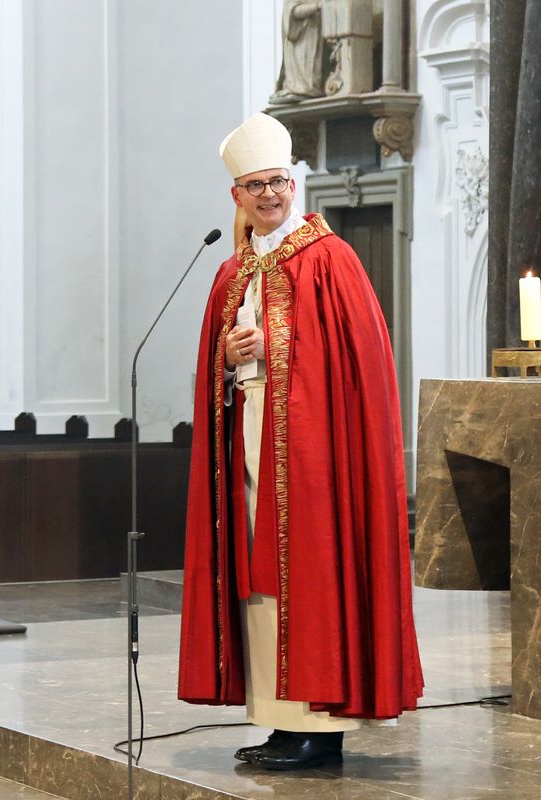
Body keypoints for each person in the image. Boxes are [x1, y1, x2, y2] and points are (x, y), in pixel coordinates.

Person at [177, 113, 424, 771]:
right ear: (237, 196)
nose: (269, 195)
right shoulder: (232, 274)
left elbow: (361, 364)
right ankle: (281, 722)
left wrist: (279, 349)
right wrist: (228, 358)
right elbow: (214, 371)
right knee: (259, 582)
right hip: (249, 445)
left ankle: (318, 726)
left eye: (278, 182)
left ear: (294, 184)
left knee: (309, 576)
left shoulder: (330, 260)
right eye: (255, 185)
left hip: (317, 454)